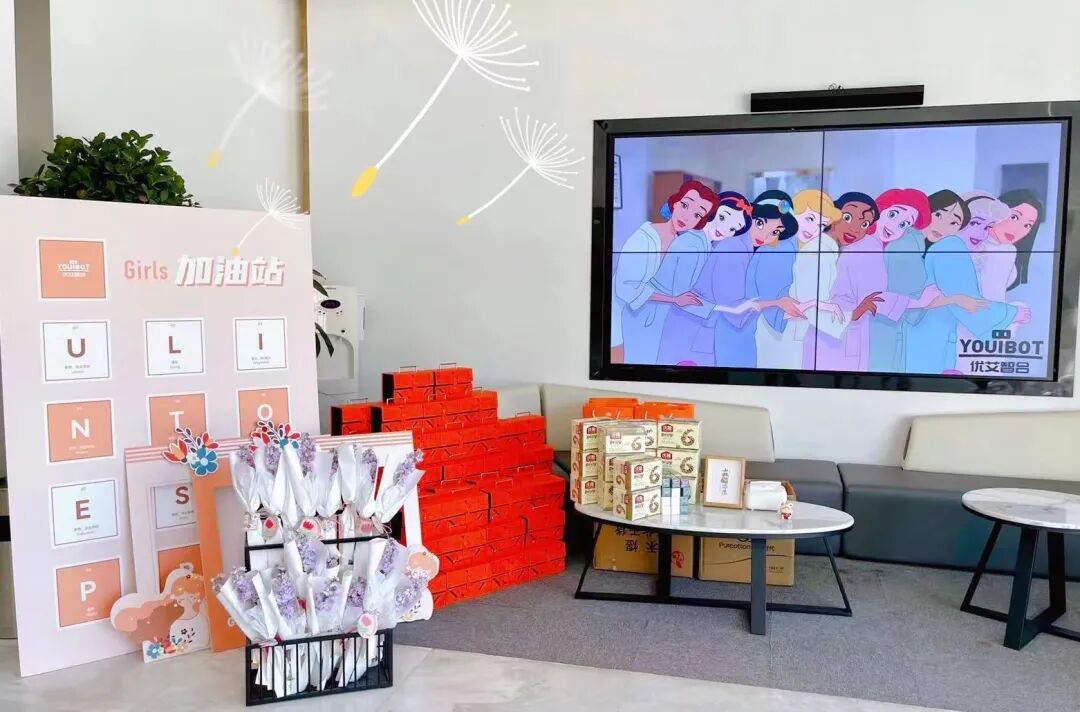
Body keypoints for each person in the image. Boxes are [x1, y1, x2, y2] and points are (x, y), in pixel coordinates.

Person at [906, 192, 1029, 374]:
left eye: (988, 227)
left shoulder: (941, 247)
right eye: (974, 223)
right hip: (928, 344)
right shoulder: (950, 247)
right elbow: (968, 302)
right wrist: (1012, 313)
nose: (980, 234)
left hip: (933, 342)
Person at [613, 180, 719, 364]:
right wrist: (674, 299)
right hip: (634, 315)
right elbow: (625, 288)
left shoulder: (684, 241)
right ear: (675, 202)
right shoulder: (644, 238)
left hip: (660, 316)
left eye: (697, 214)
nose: (686, 216)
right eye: (685, 205)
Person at [655, 191, 756, 366]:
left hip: (694, 327)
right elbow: (682, 298)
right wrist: (730, 309)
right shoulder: (692, 245)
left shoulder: (709, 244)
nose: (725, 230)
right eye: (723, 218)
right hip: (683, 328)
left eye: (733, 229)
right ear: (711, 211)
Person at [770, 189, 844, 369]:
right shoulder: (780, 249)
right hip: (774, 338)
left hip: (792, 336)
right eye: (809, 219)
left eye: (821, 225)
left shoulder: (801, 248)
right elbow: (772, 308)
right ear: (793, 213)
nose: (813, 230)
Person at [744, 190, 804, 368]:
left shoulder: (778, 248)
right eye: (760, 223)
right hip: (765, 327)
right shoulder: (769, 248)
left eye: (776, 230)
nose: (764, 234)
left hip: (770, 327)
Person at [979, 189, 1044, 299]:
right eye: (1014, 217)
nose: (1017, 229)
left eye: (1027, 225)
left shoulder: (1009, 252)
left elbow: (994, 297)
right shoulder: (968, 243)